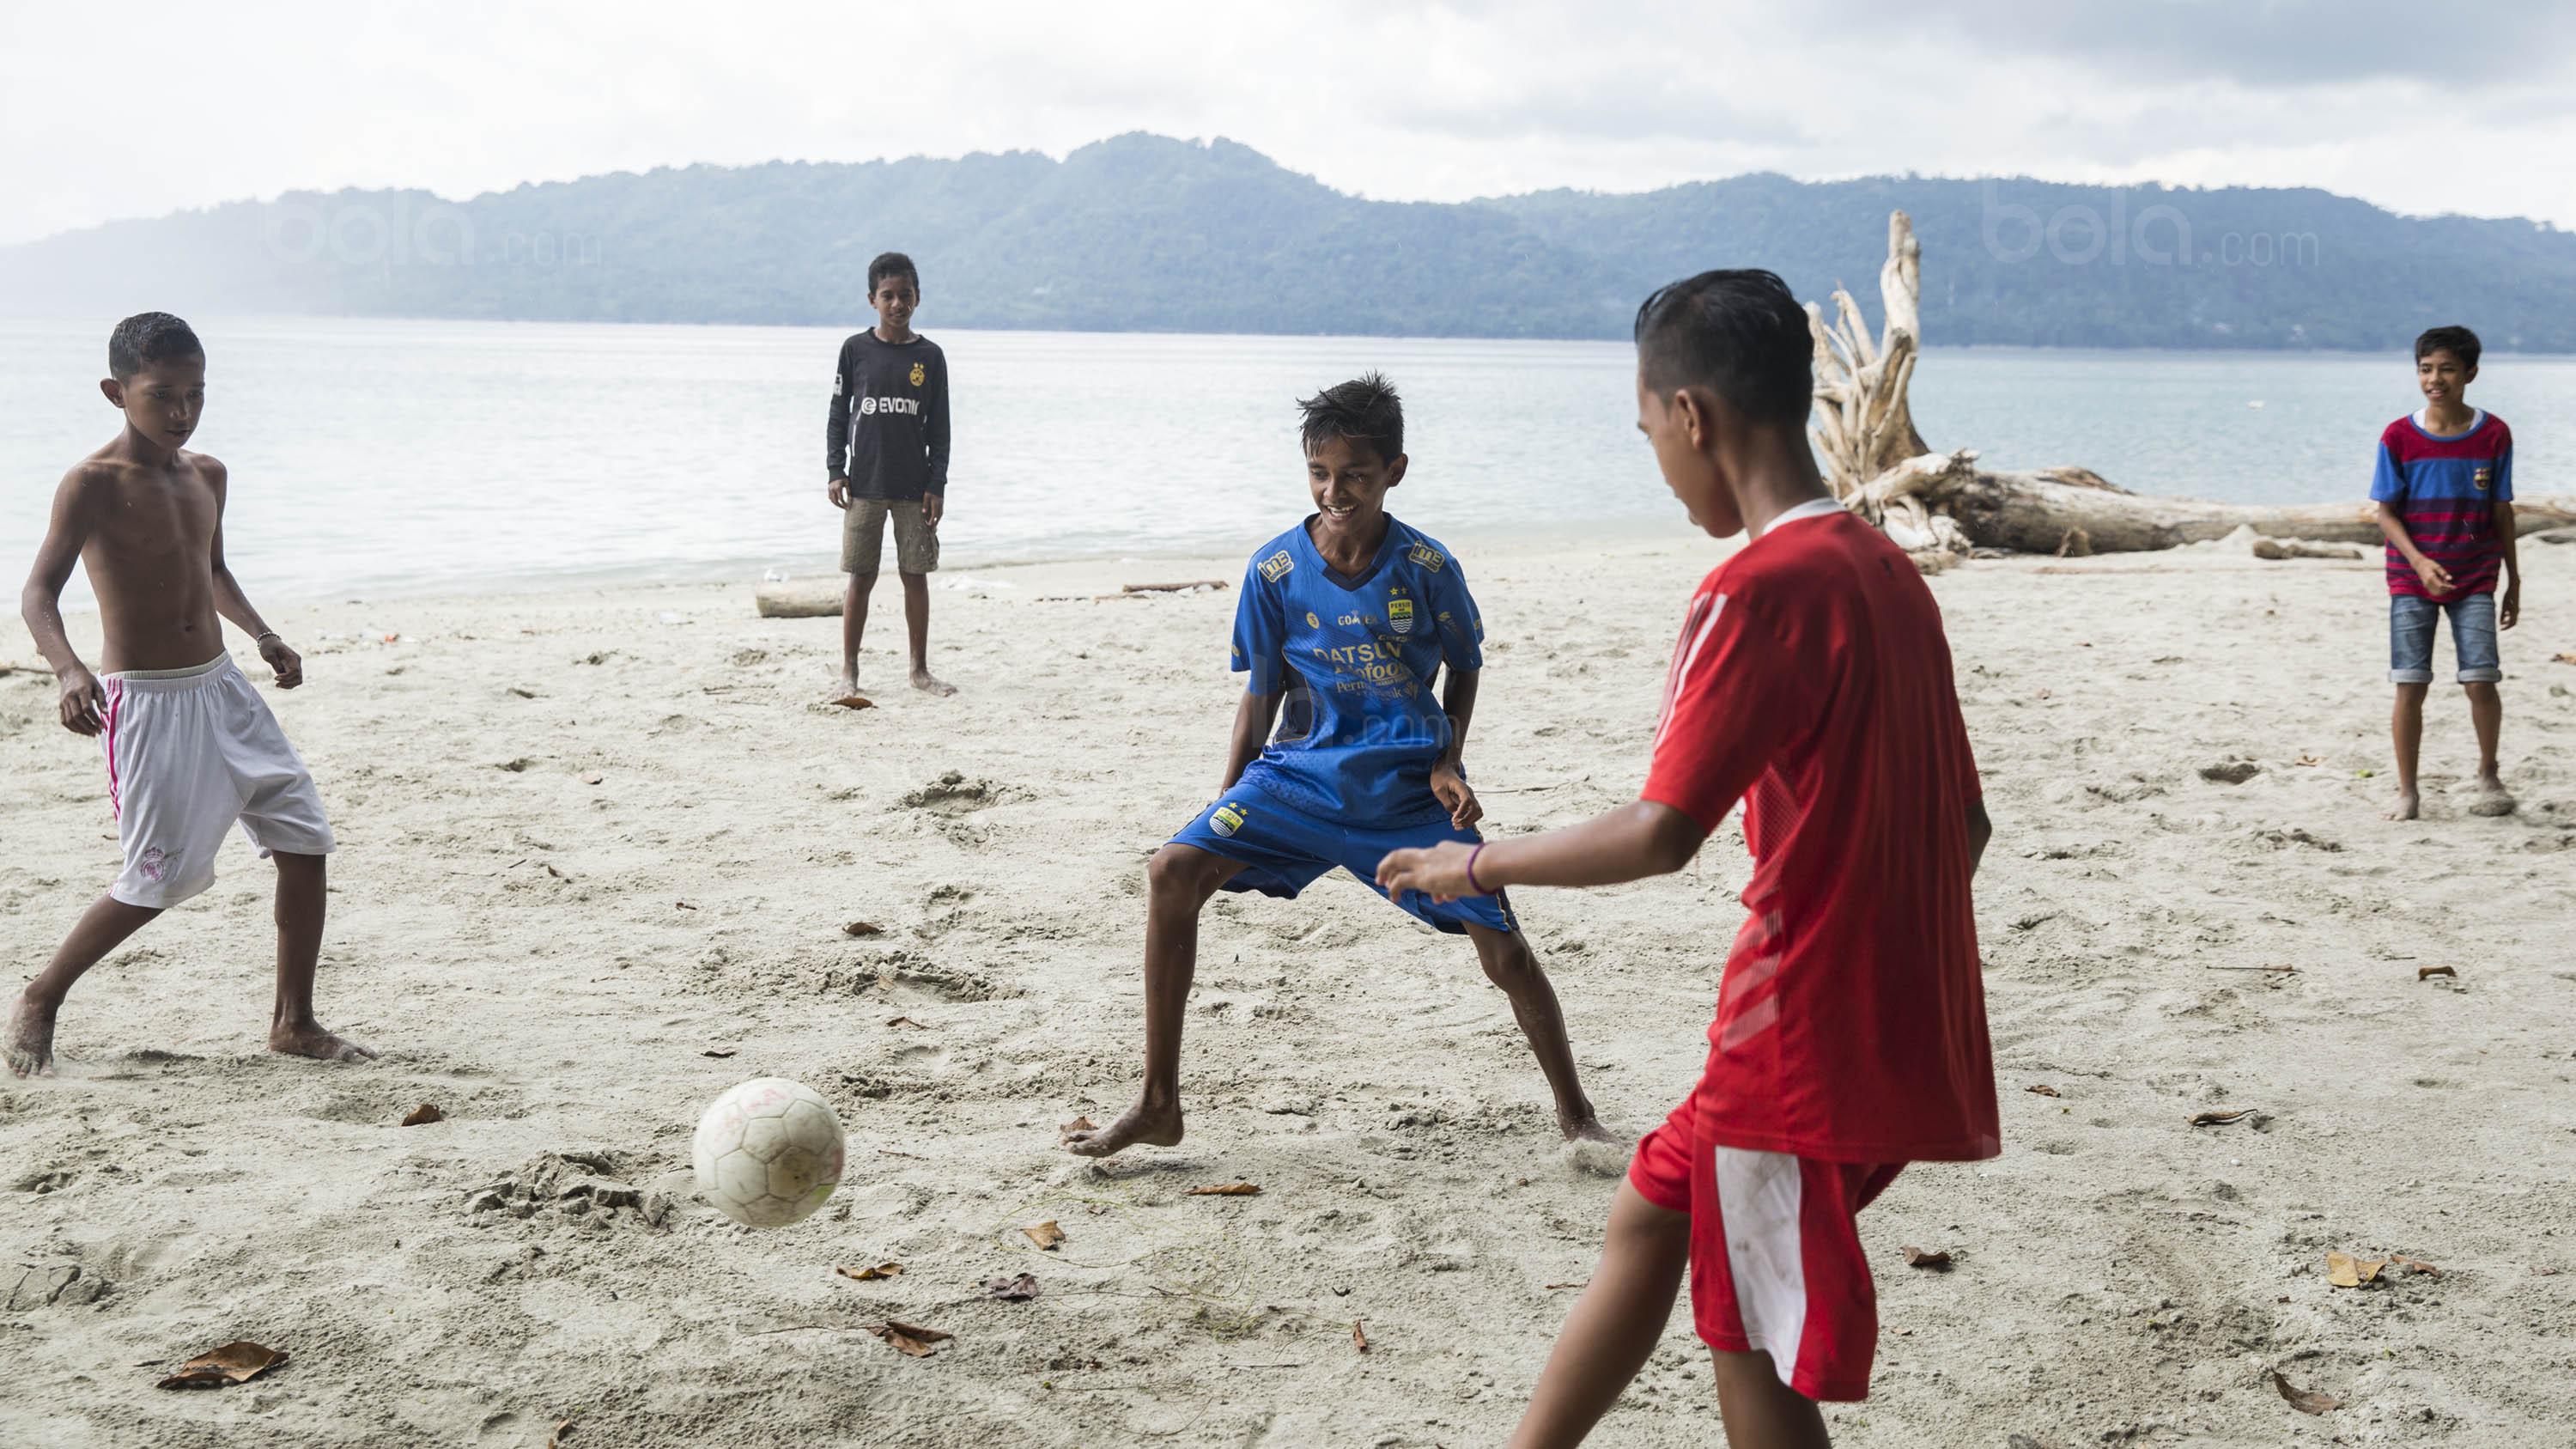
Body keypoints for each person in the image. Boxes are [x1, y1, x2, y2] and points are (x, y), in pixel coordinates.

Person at [1378, 272, 1996, 1447]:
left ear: (1694, 416)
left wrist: (1475, 864)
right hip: (1910, 1020)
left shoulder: (1756, 589)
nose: (1657, 458)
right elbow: (1964, 825)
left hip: (1797, 1037)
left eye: (1651, 427)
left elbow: (1665, 829)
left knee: (1748, 1333)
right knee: (1656, 1213)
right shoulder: (1890, 574)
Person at [1065, 374, 1611, 1158]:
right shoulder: (1275, 571)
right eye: (1320, 472)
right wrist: (1230, 803)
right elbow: (1260, 696)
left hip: (1402, 793)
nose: (1335, 490)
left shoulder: (1426, 565)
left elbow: (1465, 666)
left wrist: (1449, 757)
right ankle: (1157, 1104)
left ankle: (1576, 1113)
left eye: (1355, 473)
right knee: (1171, 871)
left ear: (1395, 470)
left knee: (1504, 952)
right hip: (1294, 781)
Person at [9, 313, 373, 1078]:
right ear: (117, 392)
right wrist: (71, 671)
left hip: (223, 689)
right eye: (162, 394)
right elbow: (39, 591)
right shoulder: (91, 484)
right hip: (148, 700)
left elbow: (212, 570)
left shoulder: (208, 473)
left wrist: (264, 635)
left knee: (305, 841)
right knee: (159, 877)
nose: (182, 412)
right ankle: (43, 994)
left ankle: (294, 1022)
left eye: (196, 394)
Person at [2370, 324, 2518, 821]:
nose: (2435, 379)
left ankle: (2488, 773)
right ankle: (2408, 791)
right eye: (2426, 369)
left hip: (2476, 575)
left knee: (2481, 679)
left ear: (2470, 373)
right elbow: (2385, 512)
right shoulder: (2398, 436)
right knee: (2410, 683)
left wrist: (2513, 579)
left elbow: (2502, 510)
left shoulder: (2494, 433)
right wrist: (2419, 561)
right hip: (2411, 578)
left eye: (2447, 369)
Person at [825, 250, 955, 697]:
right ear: (871, 300)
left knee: (914, 575)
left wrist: (936, 484)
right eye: (888, 296)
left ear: (918, 298)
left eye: (906, 295)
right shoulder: (855, 351)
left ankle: (919, 669)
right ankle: (849, 673)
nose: (897, 304)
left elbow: (940, 429)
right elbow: (839, 414)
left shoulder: (930, 357)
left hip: (912, 489)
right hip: (864, 485)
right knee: (860, 577)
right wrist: (835, 470)